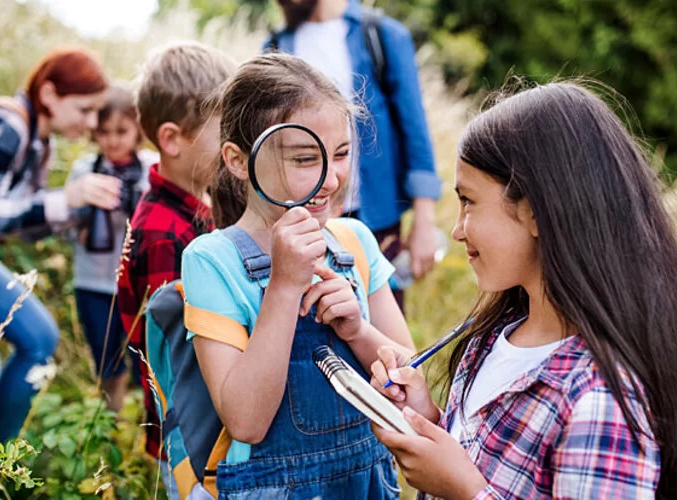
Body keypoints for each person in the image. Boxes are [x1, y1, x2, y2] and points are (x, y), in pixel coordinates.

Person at [369, 82, 677, 499]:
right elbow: (489, 460)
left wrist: (466, 492)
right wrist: (426, 419)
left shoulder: (601, 401)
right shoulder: (492, 339)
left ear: (535, 212)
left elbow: (474, 483)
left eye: (469, 202)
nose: (457, 229)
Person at [181, 53, 414, 498]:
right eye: (306, 159)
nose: (331, 179)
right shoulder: (212, 260)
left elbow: (410, 383)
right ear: (236, 160)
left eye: (342, 153)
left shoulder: (356, 243)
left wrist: (358, 330)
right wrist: (284, 288)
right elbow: (246, 422)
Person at [0, 47, 118, 447]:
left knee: (40, 338)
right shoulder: (7, 125)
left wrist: (77, 213)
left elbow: (19, 226)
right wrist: (64, 199)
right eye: (84, 109)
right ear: (49, 94)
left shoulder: (38, 143)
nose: (91, 122)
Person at [116, 41, 237, 495]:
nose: (235, 142)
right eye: (223, 128)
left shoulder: (193, 210)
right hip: (195, 446)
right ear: (171, 139)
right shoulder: (165, 234)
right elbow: (182, 357)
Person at [267, 0, 442, 311]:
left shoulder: (382, 36)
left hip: (377, 219)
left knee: (381, 323)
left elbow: (414, 128)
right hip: (305, 218)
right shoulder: (278, 46)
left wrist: (425, 221)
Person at [66, 84, 156, 413]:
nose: (113, 140)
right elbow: (64, 227)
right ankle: (109, 430)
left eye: (122, 131)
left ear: (138, 131)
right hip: (93, 282)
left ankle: (149, 434)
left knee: (146, 366)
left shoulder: (150, 169)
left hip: (139, 284)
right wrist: (86, 223)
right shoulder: (84, 171)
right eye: (104, 132)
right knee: (107, 363)